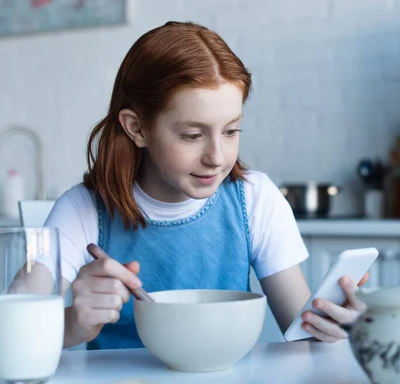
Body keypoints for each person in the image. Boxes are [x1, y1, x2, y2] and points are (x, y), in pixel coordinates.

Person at [41, 21, 369, 350]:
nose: (216, 157)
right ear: (137, 128)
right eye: (192, 135)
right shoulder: (82, 210)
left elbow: (305, 336)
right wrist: (73, 323)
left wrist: (333, 326)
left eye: (230, 131)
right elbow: (7, 333)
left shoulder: (255, 199)